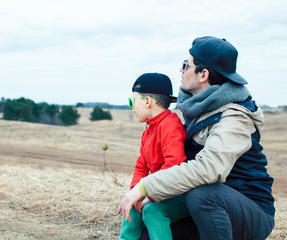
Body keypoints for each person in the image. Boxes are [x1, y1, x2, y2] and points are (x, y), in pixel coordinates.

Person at [118, 36, 275, 240]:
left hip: (247, 210)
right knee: (147, 231)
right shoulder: (197, 108)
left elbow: (208, 169)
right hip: (206, 208)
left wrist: (146, 186)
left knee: (202, 195)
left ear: (203, 74)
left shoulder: (235, 116)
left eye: (186, 65)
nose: (181, 71)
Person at [118, 72, 190, 240]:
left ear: (148, 102)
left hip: (178, 193)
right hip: (157, 189)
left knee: (152, 211)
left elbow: (174, 165)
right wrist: (136, 190)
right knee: (132, 203)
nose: (132, 107)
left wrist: (149, 193)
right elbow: (141, 164)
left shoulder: (171, 126)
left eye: (132, 101)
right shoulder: (149, 129)